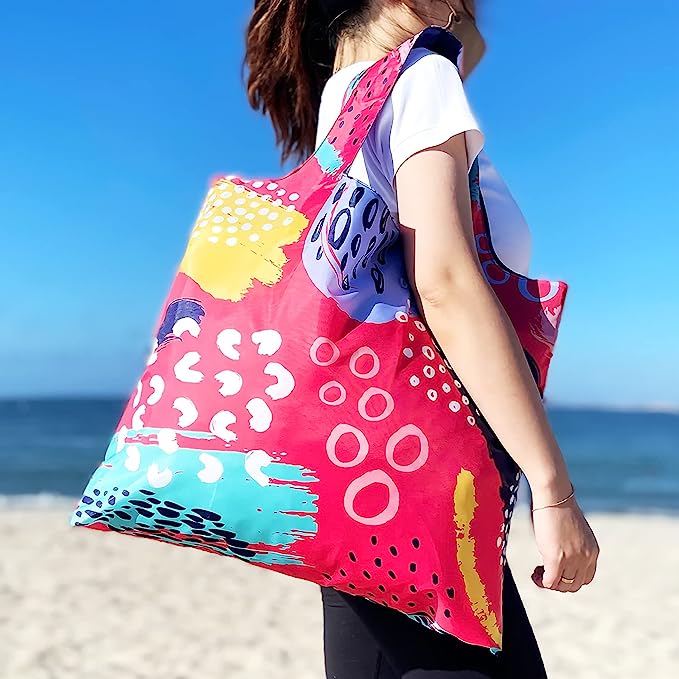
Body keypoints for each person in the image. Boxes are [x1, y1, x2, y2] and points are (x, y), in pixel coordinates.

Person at [245, 1, 600, 677]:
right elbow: (444, 282)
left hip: (360, 475)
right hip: (417, 494)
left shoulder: (347, 98)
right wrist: (553, 489)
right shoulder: (421, 79)